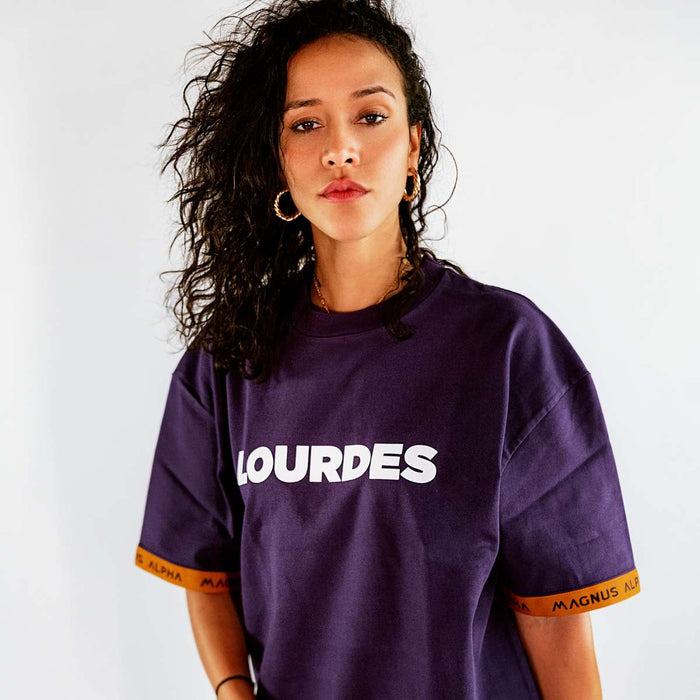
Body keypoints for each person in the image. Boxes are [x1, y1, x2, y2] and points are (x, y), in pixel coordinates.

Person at [134, 0, 641, 698]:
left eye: (370, 117)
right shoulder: (227, 358)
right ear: (278, 163)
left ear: (413, 148)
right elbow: (206, 569)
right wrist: (232, 690)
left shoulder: (506, 348)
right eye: (305, 124)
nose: (340, 148)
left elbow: (555, 619)